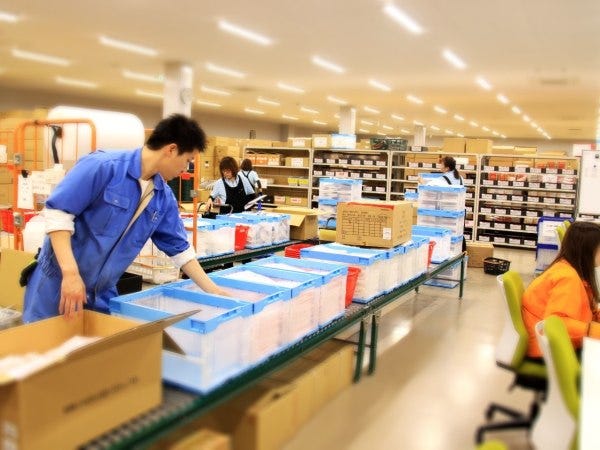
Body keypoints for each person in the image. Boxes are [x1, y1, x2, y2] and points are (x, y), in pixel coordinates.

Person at [22, 114, 228, 323]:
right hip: (58, 283)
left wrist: (214, 292)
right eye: (188, 160)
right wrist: (70, 274)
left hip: (101, 293)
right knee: (45, 341)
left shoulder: (162, 197)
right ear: (171, 149)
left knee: (97, 344)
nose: (185, 169)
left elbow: (180, 250)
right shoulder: (103, 167)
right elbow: (58, 214)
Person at [522, 221, 600, 359]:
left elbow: (585, 307)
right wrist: (596, 331)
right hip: (549, 351)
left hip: (549, 343)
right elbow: (557, 323)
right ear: (587, 251)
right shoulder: (567, 278)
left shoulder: (566, 267)